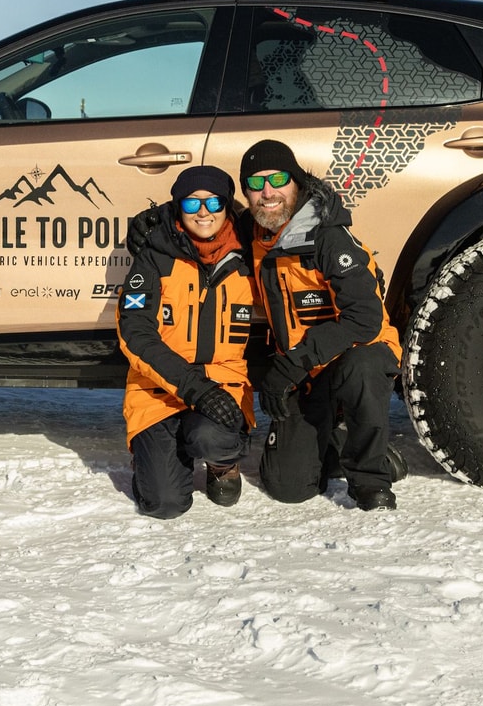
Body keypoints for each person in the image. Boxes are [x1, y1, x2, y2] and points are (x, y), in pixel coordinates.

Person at [239, 139, 404, 511]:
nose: (268, 192)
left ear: (296, 182)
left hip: (355, 356)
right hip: (307, 372)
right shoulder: (252, 232)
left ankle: (371, 479)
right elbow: (203, 219)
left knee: (363, 367)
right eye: (255, 183)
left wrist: (291, 363)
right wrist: (158, 222)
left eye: (278, 178)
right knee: (288, 486)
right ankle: (342, 441)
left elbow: (365, 318)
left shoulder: (327, 235)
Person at [116, 165, 261, 519]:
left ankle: (222, 464)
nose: (203, 212)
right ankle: (156, 456)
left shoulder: (250, 257)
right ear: (177, 207)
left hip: (222, 383)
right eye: (191, 203)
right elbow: (136, 334)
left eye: (213, 202)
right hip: (158, 391)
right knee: (165, 505)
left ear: (227, 207)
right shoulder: (154, 256)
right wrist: (195, 389)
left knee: (210, 437)